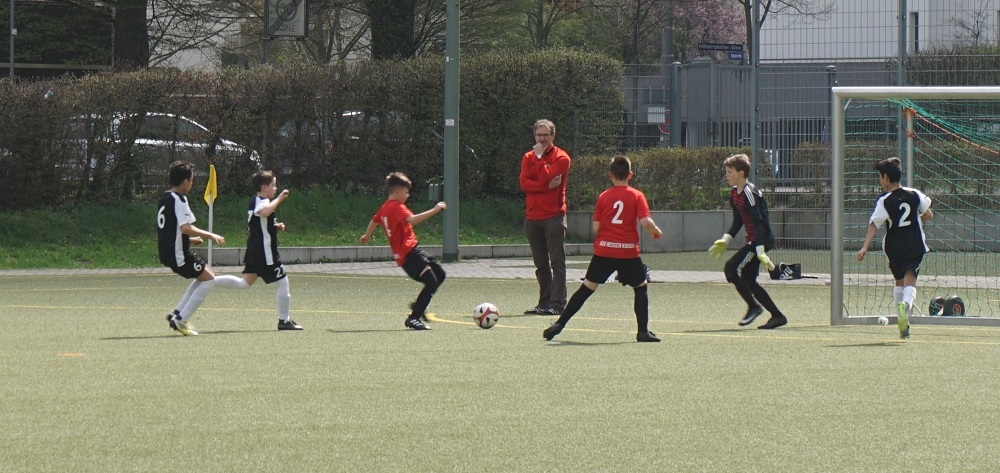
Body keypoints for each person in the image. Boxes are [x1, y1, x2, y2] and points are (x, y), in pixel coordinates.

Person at [543, 155, 663, 342]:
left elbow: (596, 227)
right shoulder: (636, 195)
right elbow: (645, 222)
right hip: (627, 252)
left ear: (610, 175)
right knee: (640, 287)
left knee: (587, 288)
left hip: (604, 252)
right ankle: (642, 332)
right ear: (630, 175)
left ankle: (559, 324)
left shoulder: (604, 197)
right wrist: (655, 231)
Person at [209, 170, 303, 331]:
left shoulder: (257, 201)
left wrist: (274, 226)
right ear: (264, 187)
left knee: (244, 283)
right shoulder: (261, 201)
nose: (275, 188)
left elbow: (259, 221)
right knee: (282, 281)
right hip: (264, 252)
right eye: (273, 185)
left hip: (255, 250)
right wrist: (280, 198)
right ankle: (284, 320)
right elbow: (264, 212)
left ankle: (210, 280)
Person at [707, 153, 788, 329]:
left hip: (761, 239)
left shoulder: (749, 193)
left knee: (731, 268)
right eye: (726, 172)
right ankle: (777, 316)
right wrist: (726, 239)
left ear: (741, 173)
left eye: (729, 172)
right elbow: (738, 221)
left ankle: (753, 307)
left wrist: (759, 248)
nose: (726, 175)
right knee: (748, 279)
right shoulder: (734, 193)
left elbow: (757, 222)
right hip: (754, 241)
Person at [856, 157, 933, 339]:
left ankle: (902, 325)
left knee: (899, 280)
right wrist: (917, 219)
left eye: (880, 177)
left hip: (894, 247)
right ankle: (906, 306)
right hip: (914, 243)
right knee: (910, 278)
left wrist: (865, 247)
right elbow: (929, 214)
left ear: (886, 178)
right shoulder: (914, 194)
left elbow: (874, 224)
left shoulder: (885, 200)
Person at [360, 172, 447, 330]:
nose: (408, 195)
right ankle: (413, 318)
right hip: (409, 255)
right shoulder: (397, 207)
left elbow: (374, 221)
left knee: (440, 274)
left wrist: (367, 235)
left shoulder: (385, 207)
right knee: (432, 282)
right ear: (397, 191)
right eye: (406, 192)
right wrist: (435, 210)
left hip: (412, 251)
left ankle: (418, 305)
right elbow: (412, 220)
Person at [158, 160, 231, 336]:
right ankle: (181, 319)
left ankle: (177, 313)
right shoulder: (179, 199)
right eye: (191, 181)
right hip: (178, 255)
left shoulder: (165, 198)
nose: (191, 184)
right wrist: (210, 235)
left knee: (206, 274)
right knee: (209, 279)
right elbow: (185, 227)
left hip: (169, 251)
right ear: (185, 182)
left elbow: (170, 229)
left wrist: (189, 240)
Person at [520, 119, 571, 316]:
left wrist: (540, 158)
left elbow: (546, 177)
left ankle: (557, 304)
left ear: (553, 136)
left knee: (557, 262)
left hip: (554, 217)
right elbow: (524, 184)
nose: (542, 139)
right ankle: (544, 303)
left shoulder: (562, 158)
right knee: (541, 264)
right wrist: (545, 187)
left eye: (545, 135)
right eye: (538, 135)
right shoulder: (527, 157)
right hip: (532, 217)